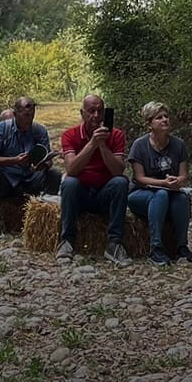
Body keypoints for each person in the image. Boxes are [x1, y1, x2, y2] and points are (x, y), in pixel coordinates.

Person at [57, 94, 130, 266]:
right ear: (82, 113)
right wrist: (92, 143)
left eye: (100, 111)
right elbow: (72, 169)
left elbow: (118, 170)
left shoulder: (117, 135)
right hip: (80, 194)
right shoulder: (70, 135)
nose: (96, 116)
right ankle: (67, 241)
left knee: (121, 182)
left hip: (104, 193)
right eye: (91, 111)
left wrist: (103, 145)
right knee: (69, 182)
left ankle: (114, 244)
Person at [0, 96, 61, 236]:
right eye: (26, 115)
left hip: (30, 178)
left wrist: (42, 165)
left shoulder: (39, 130)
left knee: (55, 173)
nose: (30, 119)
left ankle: (47, 220)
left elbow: (48, 160)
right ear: (15, 114)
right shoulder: (3, 128)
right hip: (7, 180)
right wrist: (14, 161)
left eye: (32, 115)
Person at [126, 103, 192, 265]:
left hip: (169, 192)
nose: (164, 120)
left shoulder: (178, 144)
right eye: (159, 117)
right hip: (141, 194)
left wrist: (178, 181)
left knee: (182, 199)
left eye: (166, 116)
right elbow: (140, 178)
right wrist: (163, 183)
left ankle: (181, 246)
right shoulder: (139, 145)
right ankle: (156, 248)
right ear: (149, 124)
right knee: (161, 195)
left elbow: (184, 174)